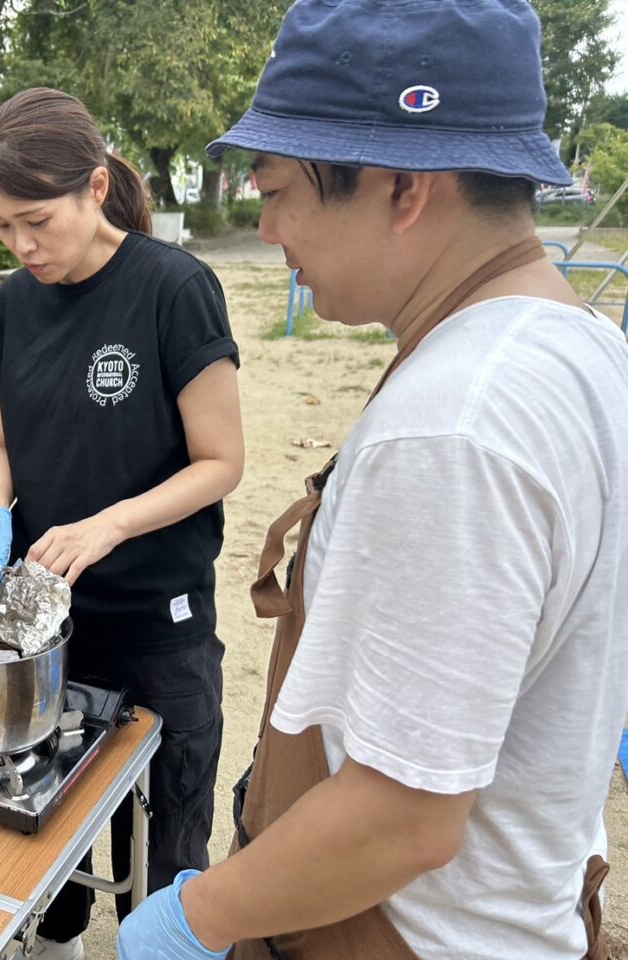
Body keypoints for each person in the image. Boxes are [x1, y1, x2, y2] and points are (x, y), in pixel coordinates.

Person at [116, 2, 628, 958]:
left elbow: (404, 817)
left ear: (403, 188)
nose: (267, 227)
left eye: (277, 189)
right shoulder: (584, 346)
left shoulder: (454, 423)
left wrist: (195, 920)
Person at [0, 88, 245, 960]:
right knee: (60, 811)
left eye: (35, 221)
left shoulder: (173, 288)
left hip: (159, 622)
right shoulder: (14, 302)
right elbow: (2, 431)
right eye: (3, 227)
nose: (21, 245)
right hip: (51, 627)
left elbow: (221, 463)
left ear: (94, 186)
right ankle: (62, 936)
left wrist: (109, 525)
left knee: (168, 833)